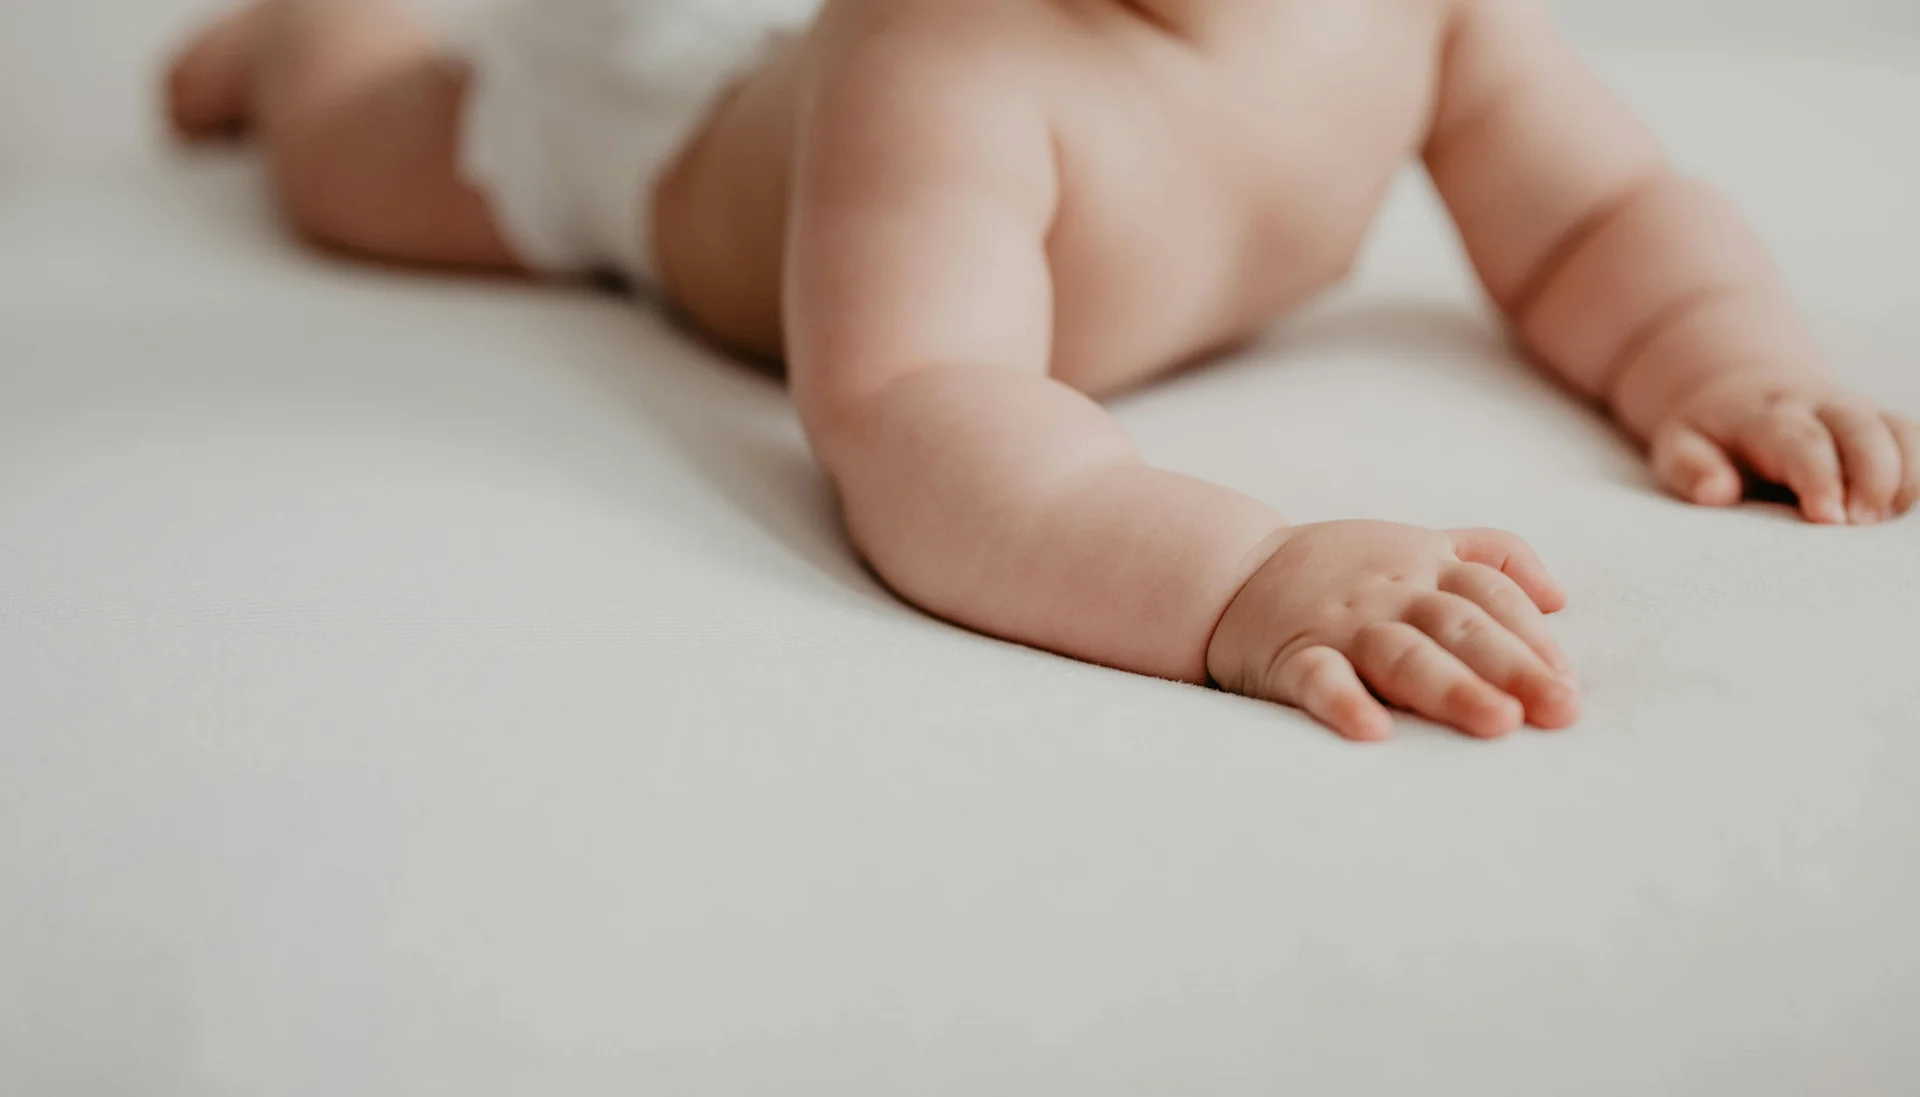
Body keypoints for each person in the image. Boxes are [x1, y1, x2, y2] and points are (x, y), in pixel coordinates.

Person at [167, 0, 1920, 741]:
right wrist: (1239, 575)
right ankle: (308, 36)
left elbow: (1595, 216)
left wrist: (1719, 357)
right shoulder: (944, 55)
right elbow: (923, 411)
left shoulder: (1421, 16)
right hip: (654, 130)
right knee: (353, 160)